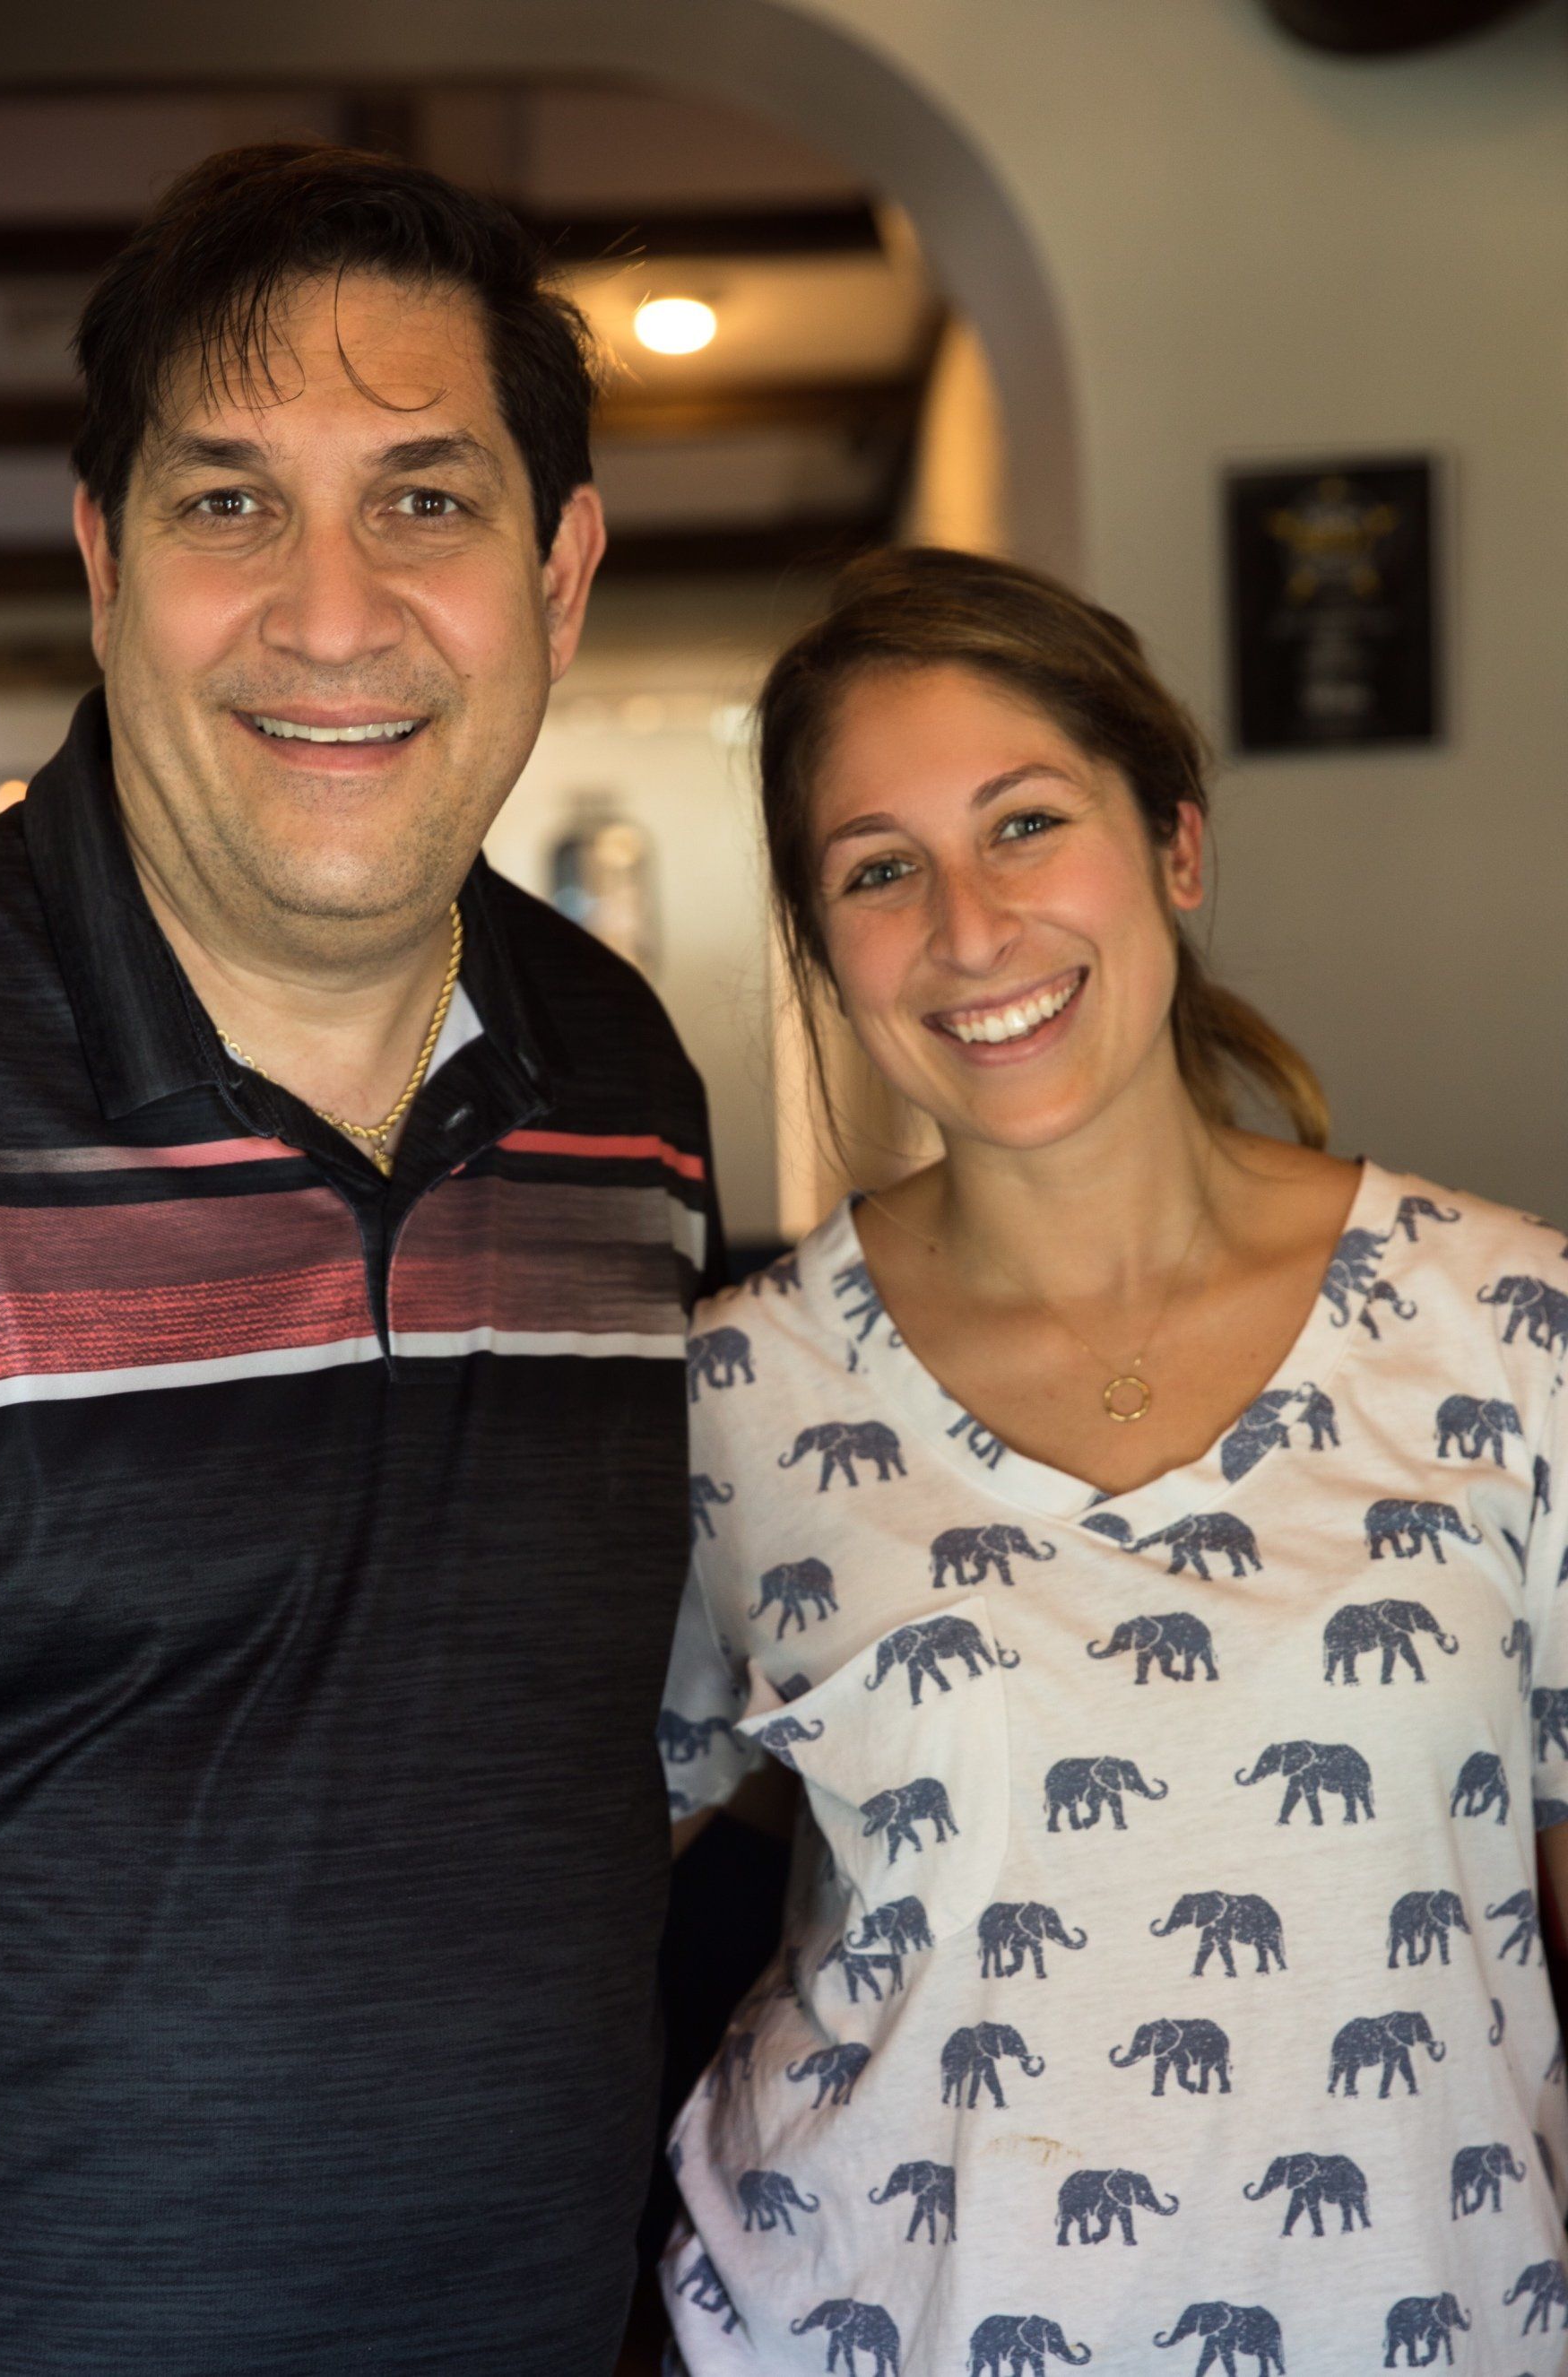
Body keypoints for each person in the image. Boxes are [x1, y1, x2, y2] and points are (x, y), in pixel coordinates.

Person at [0, 143, 718, 2375]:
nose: (332, 615)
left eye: (423, 501)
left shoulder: (621, 1080)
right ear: (105, 557)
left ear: (562, 572)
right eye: (232, 503)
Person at [661, 547, 1568, 2374]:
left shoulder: (1516, 1331)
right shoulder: (727, 1405)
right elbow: (529, 1894)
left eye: (1024, 825)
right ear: (826, 946)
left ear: (1176, 846)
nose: (971, 930)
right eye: (880, 870)